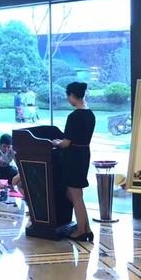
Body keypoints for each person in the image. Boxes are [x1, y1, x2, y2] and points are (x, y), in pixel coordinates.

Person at [54, 82, 97, 240]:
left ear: (72, 95)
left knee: (75, 195)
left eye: (68, 96)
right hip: (84, 154)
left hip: (73, 157)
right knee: (76, 194)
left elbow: (66, 143)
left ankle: (81, 230)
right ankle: (86, 227)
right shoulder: (90, 114)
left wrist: (56, 143)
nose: (68, 99)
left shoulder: (74, 116)